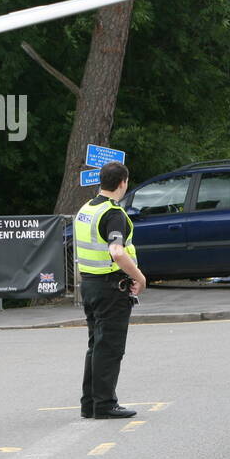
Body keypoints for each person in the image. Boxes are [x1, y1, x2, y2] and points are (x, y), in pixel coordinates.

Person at [74, 160, 146, 418]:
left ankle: (90, 403)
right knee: (110, 347)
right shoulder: (113, 214)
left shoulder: (86, 209)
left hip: (90, 284)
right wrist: (140, 277)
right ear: (123, 183)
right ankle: (104, 404)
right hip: (110, 288)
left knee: (96, 345)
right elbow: (117, 251)